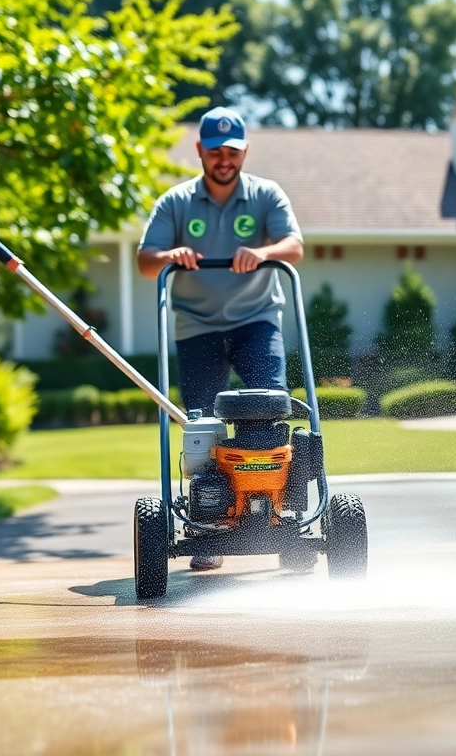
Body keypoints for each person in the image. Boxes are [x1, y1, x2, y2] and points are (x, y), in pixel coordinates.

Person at [136, 106, 303, 570]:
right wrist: (173, 253)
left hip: (256, 318)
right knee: (202, 423)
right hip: (198, 324)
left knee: (271, 407)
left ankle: (286, 520)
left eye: (232, 151)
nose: (224, 159)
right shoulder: (176, 203)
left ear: (245, 151)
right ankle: (208, 524)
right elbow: (147, 261)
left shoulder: (266, 195)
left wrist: (261, 252)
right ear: (200, 152)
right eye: (215, 152)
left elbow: (294, 247)